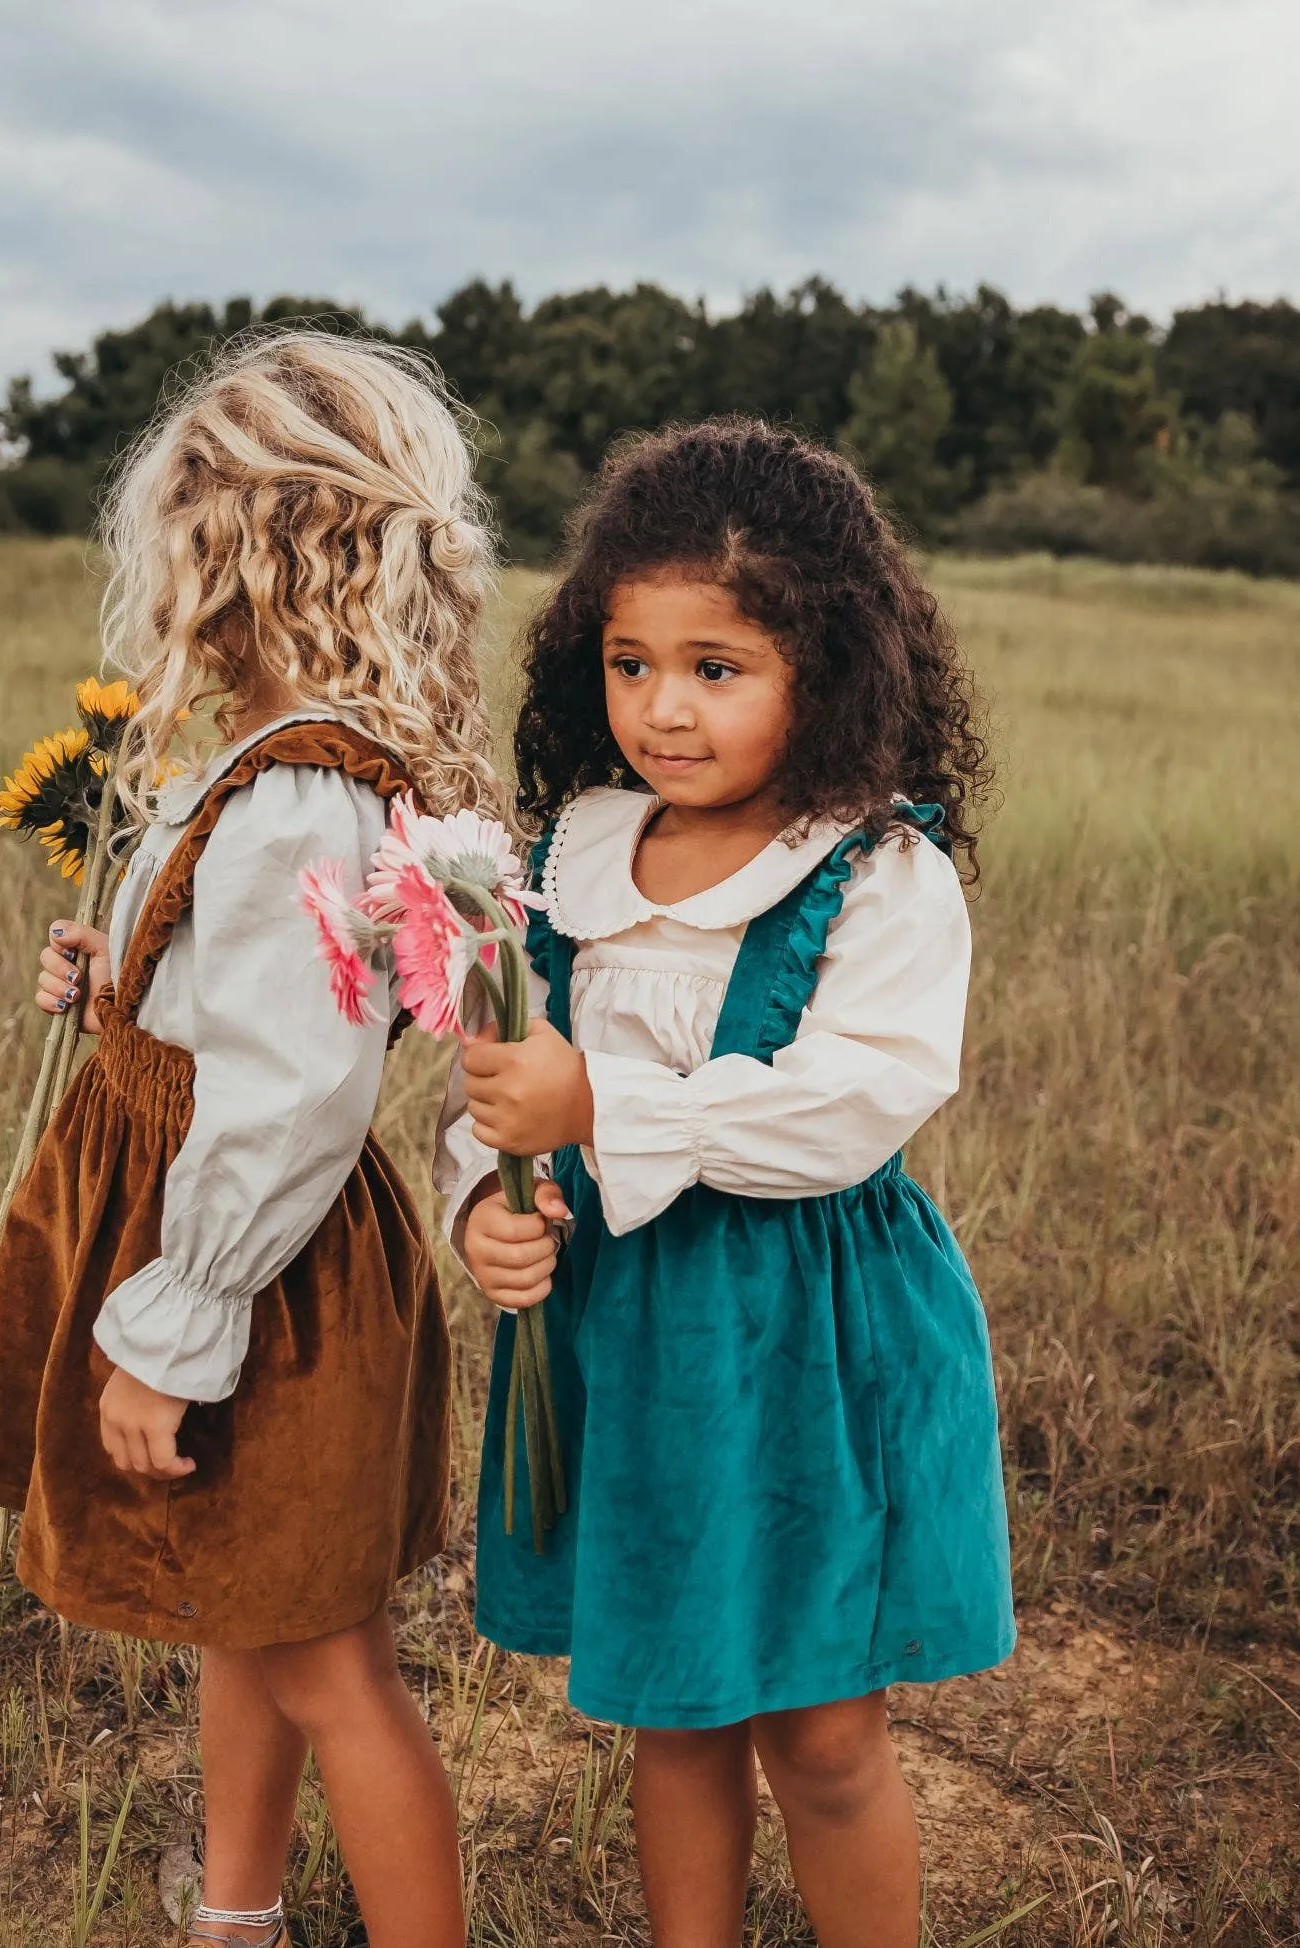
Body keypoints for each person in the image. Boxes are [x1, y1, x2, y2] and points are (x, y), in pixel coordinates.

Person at [0, 331, 494, 1948]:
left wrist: (176, 1330)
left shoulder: (300, 792)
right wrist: (116, 977)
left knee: (329, 1664)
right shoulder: (267, 764)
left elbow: (291, 1092)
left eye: (184, 523)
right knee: (244, 1619)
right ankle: (234, 1911)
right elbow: (238, 995)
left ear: (251, 545)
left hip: (256, 1269)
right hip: (244, 1239)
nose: (166, 563)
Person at [440, 419, 1015, 1948]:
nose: (664, 710)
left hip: (805, 1334)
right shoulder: (568, 851)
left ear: (820, 670)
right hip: (624, 1331)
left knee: (822, 1731)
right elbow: (497, 1080)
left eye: (717, 666)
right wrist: (488, 1207)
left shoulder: (872, 864)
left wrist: (606, 1104)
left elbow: (859, 1101)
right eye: (630, 663)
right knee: (675, 1707)